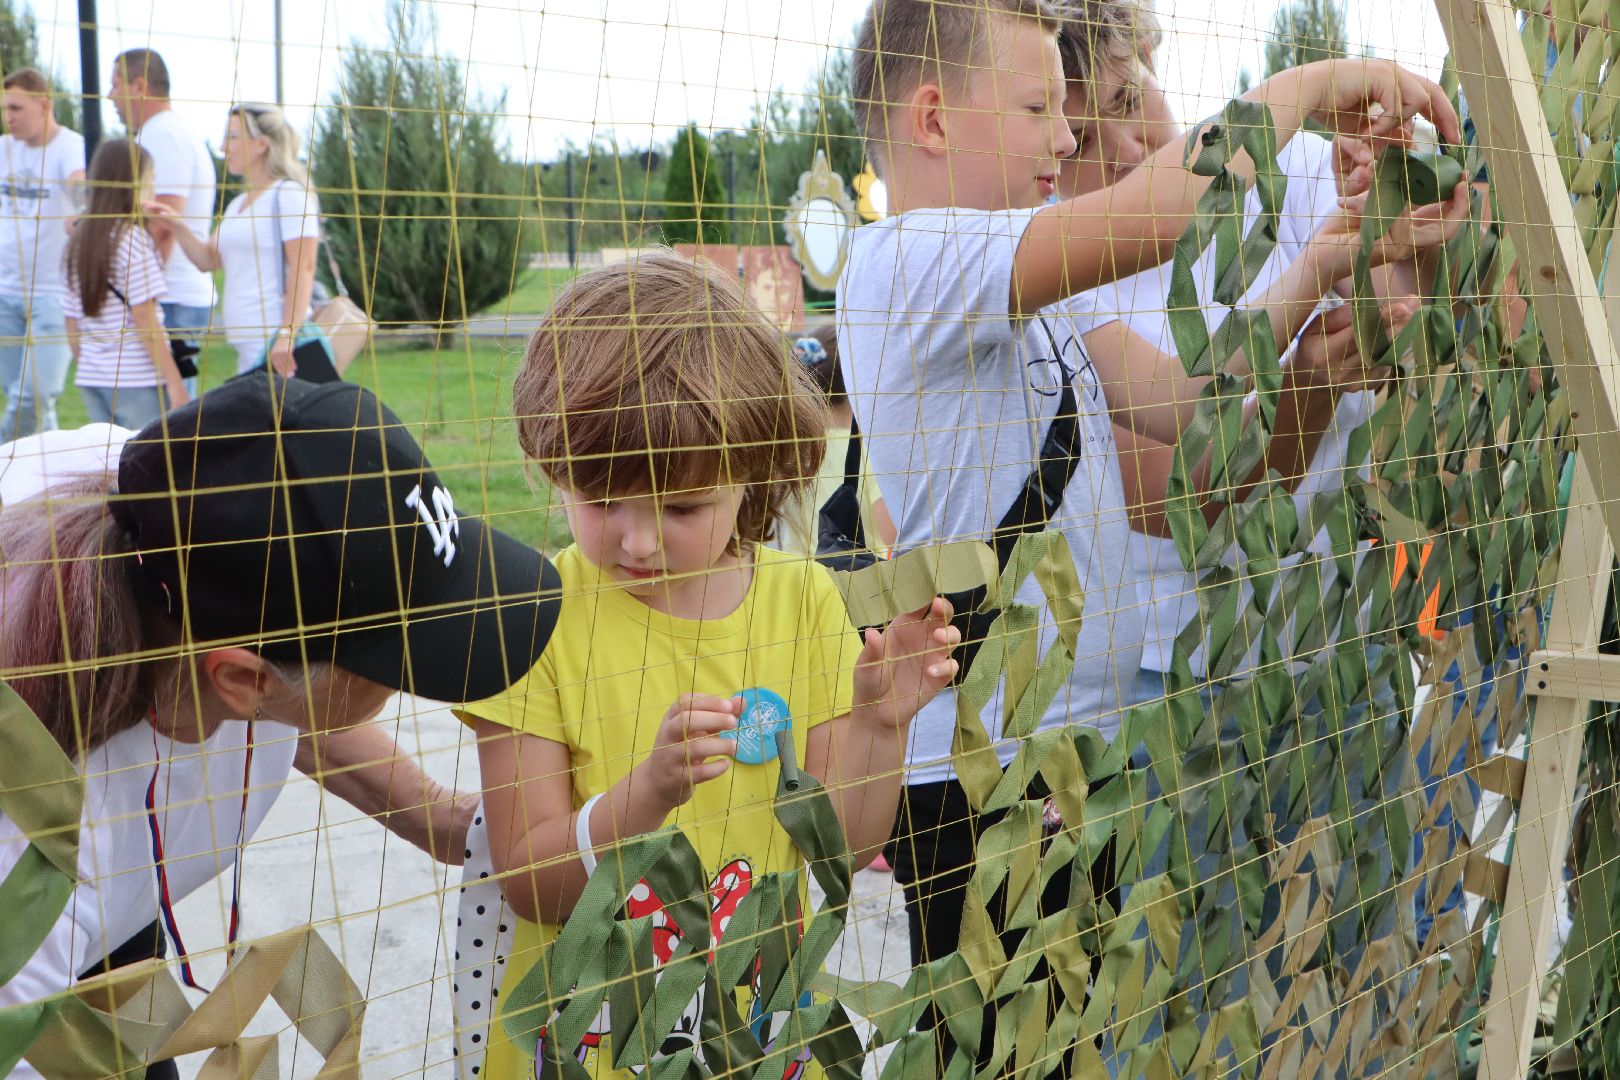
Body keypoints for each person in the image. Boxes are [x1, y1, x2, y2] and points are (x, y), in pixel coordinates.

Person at [837, 0, 1461, 1069]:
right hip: (965, 797)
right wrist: (1318, 84)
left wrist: (1316, 273)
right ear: (933, 119)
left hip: (1063, 775)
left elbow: (1191, 406)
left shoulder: (1030, 304)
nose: (1067, 134)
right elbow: (1152, 218)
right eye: (1039, 107)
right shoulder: (903, 267)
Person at [461, 250, 960, 1078]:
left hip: (755, 1036)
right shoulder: (534, 614)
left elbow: (844, 842)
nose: (638, 540)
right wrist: (647, 794)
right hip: (598, 1044)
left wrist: (881, 725)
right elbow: (531, 882)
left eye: (684, 505)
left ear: (753, 471)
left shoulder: (801, 600)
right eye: (599, 497)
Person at [0, 374, 561, 1080]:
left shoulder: (162, 501)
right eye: (391, 659)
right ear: (242, 681)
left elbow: (302, 689)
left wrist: (435, 819)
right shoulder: (47, 869)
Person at [145, 103, 321, 376]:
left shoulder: (289, 195)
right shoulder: (238, 204)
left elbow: (304, 268)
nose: (223, 147)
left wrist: (286, 335)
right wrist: (176, 224)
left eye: (232, 137)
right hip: (247, 346)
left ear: (261, 144)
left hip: (277, 345)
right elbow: (208, 260)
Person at [109, 49, 216, 391]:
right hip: (171, 295)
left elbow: (161, 224)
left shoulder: (162, 135)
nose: (109, 96)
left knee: (167, 422)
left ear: (139, 86)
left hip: (169, 298)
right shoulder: (163, 132)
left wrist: (140, 297)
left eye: (115, 85)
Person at [64, 139, 188, 427]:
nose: (154, 188)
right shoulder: (132, 240)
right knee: (147, 464)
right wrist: (174, 383)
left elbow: (71, 321)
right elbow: (144, 315)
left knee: (111, 465)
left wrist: (92, 364)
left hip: (92, 378)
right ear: (135, 184)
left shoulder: (76, 241)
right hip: (137, 379)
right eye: (151, 180)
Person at [0, 68, 83, 442]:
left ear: (45, 104)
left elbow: (79, 183)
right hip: (4, 294)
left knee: (34, 395)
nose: (9, 117)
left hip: (53, 294)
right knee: (30, 403)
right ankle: (42, 494)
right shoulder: (4, 149)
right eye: (5, 109)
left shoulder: (71, 147)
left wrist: (84, 207)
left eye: (16, 107)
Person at [771, 324, 898, 559]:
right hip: (859, 581)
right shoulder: (872, 452)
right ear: (855, 380)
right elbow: (891, 535)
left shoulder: (789, 452)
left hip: (803, 582)